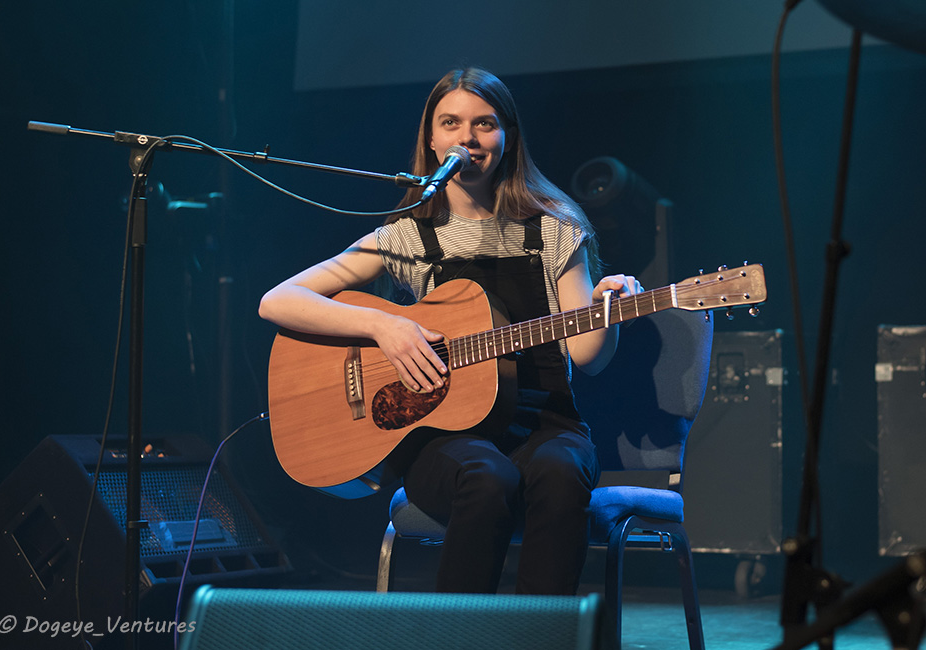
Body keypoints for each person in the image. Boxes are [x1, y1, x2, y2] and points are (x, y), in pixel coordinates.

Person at [258, 67, 643, 595]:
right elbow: (277, 300)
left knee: (558, 474)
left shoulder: (555, 227)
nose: (468, 137)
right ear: (433, 139)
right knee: (487, 479)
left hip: (545, 423)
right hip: (445, 434)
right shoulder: (407, 235)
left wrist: (606, 311)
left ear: (507, 138)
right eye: (451, 123)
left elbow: (588, 356)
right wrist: (384, 325)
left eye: (484, 124)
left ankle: (543, 637)